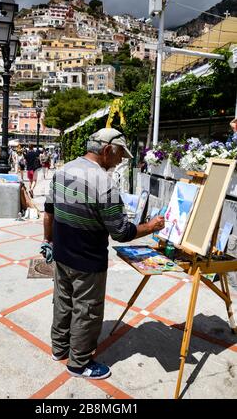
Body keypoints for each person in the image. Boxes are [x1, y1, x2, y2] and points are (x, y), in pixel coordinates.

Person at [43, 127, 165, 380]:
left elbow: (49, 212)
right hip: (87, 260)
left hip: (62, 253)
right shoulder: (104, 183)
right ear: (108, 150)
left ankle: (59, 349)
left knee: (63, 302)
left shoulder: (63, 170)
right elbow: (120, 232)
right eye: (120, 154)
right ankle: (79, 363)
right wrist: (150, 227)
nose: (121, 160)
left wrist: (49, 242)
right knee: (86, 310)